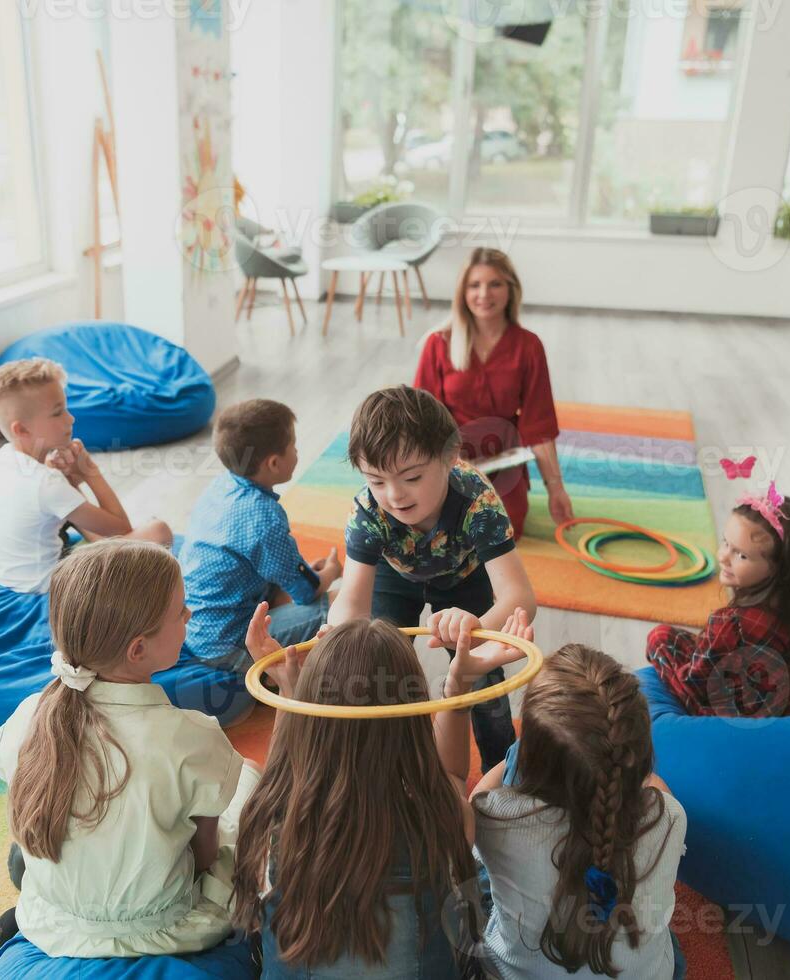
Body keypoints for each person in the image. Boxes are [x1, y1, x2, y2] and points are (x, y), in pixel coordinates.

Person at [0, 541, 258, 975]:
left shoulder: (27, 717)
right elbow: (204, 858)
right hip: (163, 929)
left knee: (28, 857)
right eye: (180, 611)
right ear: (137, 650)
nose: (189, 616)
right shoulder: (193, 738)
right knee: (250, 791)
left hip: (52, 919)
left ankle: (3, 937)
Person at [234, 603, 530, 978]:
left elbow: (283, 770)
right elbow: (453, 778)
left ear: (309, 719)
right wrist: (459, 687)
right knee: (480, 870)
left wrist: (291, 694)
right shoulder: (441, 815)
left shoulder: (272, 813)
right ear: (410, 721)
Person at [329, 384, 537, 767]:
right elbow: (351, 601)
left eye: (411, 478)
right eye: (376, 481)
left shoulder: (479, 501)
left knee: (485, 681)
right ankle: (394, 766)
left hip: (465, 578)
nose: (394, 496)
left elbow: (520, 597)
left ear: (450, 456)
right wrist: (340, 637)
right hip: (396, 578)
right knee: (381, 673)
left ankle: (503, 770)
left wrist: (475, 626)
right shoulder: (366, 512)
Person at [473, 643, 688, 979]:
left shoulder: (494, 817)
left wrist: (516, 755)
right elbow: (655, 787)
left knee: (478, 878)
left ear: (535, 763)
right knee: (662, 938)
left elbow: (477, 794)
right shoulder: (670, 816)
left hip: (511, 973)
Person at [0, 358, 169, 594]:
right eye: (58, 413)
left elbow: (59, 503)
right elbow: (120, 528)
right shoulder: (44, 484)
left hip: (6, 573)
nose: (70, 419)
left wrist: (68, 480)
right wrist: (90, 472)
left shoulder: (6, 457)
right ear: (22, 429)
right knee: (158, 531)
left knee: (72, 502)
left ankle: (98, 542)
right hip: (46, 586)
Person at [414, 247, 571, 539]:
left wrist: (556, 488)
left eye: (495, 284)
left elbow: (538, 426)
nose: (484, 294)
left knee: (506, 531)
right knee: (444, 531)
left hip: (504, 459)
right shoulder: (438, 343)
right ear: (463, 292)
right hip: (448, 460)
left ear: (511, 289)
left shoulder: (529, 346)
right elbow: (421, 422)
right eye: (475, 285)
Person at [646, 483, 790, 717]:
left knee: (661, 636)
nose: (724, 557)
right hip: (788, 708)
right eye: (726, 543)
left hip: (735, 717)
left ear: (781, 570)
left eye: (742, 555)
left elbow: (695, 685)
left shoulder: (731, 624)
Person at [181, 399, 340, 671]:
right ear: (274, 463)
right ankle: (276, 673)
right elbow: (306, 591)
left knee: (288, 588)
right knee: (345, 600)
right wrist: (332, 572)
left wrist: (303, 574)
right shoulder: (264, 516)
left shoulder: (221, 485)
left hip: (199, 630)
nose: (297, 450)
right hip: (231, 644)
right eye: (294, 445)